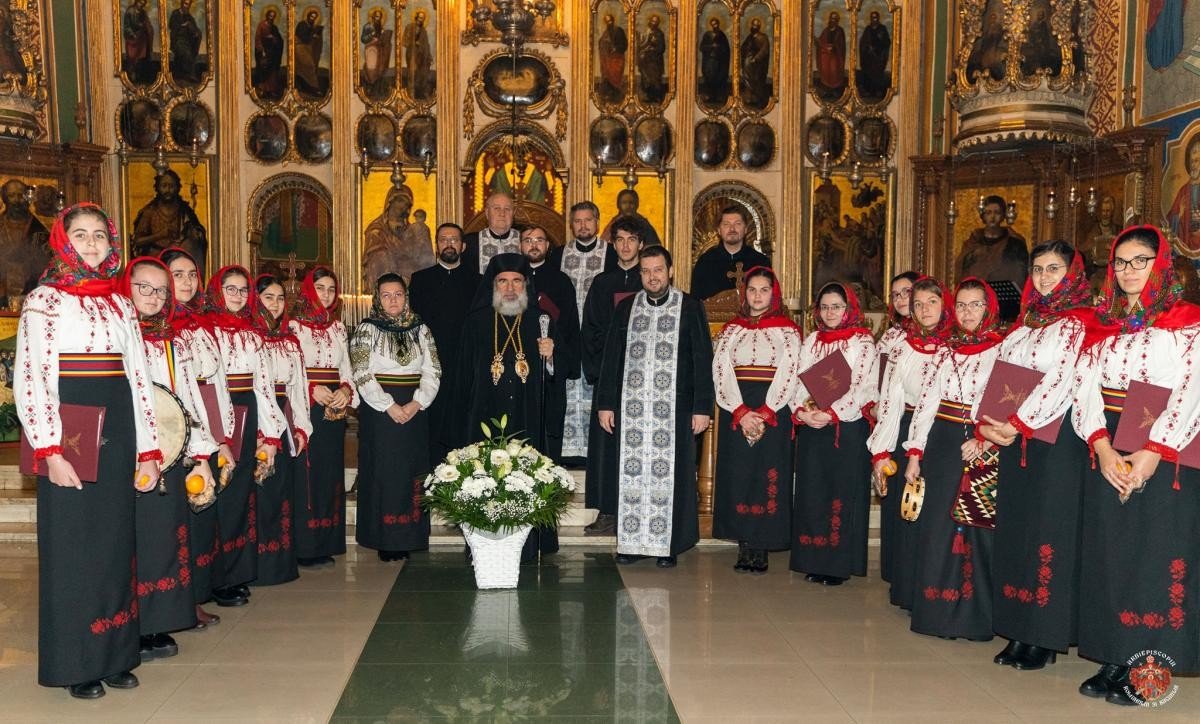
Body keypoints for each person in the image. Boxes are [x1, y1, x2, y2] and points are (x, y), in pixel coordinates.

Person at [16, 203, 162, 698]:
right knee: (75, 549)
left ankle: (116, 652)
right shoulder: (44, 301)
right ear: (62, 241)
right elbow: (32, 378)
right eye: (81, 235)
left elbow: (140, 379)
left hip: (119, 428)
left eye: (100, 234)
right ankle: (78, 662)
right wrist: (49, 449)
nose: (93, 243)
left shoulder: (121, 304)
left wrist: (149, 449)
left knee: (117, 544)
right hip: (71, 432)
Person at [1070, 226, 1200, 705]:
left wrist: (1151, 453)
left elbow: (1191, 391)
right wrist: (1101, 446)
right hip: (1110, 441)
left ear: (1161, 263)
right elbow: (1085, 388)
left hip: (1169, 446)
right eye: (1120, 262)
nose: (1127, 271)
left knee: (1152, 556)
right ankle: (1115, 653)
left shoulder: (1188, 323)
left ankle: (1150, 666)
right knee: (1112, 552)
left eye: (1139, 260)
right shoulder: (1101, 324)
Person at [976, 241, 1092, 671]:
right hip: (1013, 438)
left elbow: (1061, 382)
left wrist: (1017, 424)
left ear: (1073, 273)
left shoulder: (1078, 324)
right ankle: (1018, 627)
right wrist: (988, 423)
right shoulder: (1025, 325)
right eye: (1038, 269)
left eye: (1054, 268)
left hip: (1054, 441)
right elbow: (1001, 376)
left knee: (1048, 533)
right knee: (1017, 530)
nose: (1044, 277)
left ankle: (1044, 634)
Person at [121, 256, 218, 663]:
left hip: (173, 449)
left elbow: (191, 397)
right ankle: (134, 625)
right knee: (136, 539)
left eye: (161, 291)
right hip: (131, 450)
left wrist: (201, 454)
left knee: (165, 538)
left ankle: (159, 621)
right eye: (145, 288)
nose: (154, 297)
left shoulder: (173, 339)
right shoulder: (119, 333)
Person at [596, 246, 714, 567]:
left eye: (658, 270)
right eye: (646, 271)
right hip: (632, 412)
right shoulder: (626, 309)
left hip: (674, 411)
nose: (652, 277)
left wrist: (702, 407)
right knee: (631, 475)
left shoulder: (689, 307)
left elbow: (703, 360)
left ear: (670, 270)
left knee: (671, 477)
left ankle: (668, 546)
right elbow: (611, 359)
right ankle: (632, 542)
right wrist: (606, 404)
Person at [902, 278, 1005, 641]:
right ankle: (937, 612)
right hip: (942, 445)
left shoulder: (1004, 349)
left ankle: (974, 618)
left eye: (975, 305)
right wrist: (915, 453)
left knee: (976, 532)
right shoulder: (946, 350)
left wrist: (983, 439)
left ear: (989, 307)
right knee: (938, 530)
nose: (967, 312)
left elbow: (1007, 401)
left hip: (983, 444)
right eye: (961, 305)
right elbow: (927, 404)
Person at [456, 254, 565, 560]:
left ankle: (531, 544)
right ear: (492, 286)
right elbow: (463, 377)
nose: (509, 288)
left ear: (526, 285)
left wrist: (551, 356)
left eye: (516, 281)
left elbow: (557, 375)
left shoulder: (540, 321)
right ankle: (484, 540)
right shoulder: (476, 322)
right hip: (483, 416)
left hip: (527, 416)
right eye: (502, 281)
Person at [868, 275, 953, 608]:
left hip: (942, 435)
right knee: (909, 511)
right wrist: (881, 450)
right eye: (917, 304)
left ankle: (932, 589)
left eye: (932, 302)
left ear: (945, 304)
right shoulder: (903, 346)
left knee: (935, 517)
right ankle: (907, 590)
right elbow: (890, 400)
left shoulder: (957, 344)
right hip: (908, 433)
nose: (924, 309)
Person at [161, 247, 234, 629]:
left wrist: (223, 435)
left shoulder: (202, 322)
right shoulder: (160, 323)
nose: (187, 282)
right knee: (183, 518)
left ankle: (197, 594)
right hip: (176, 422)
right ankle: (179, 601)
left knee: (204, 512)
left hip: (207, 417)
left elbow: (216, 381)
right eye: (178, 274)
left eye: (192, 274)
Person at [204, 265, 285, 606]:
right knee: (215, 495)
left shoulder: (254, 333)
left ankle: (234, 573)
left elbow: (264, 385)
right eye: (230, 289)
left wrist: (271, 433)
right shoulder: (203, 329)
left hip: (247, 412)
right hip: (214, 417)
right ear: (216, 291)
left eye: (242, 290)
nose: (237, 296)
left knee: (239, 495)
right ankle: (211, 576)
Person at [712, 267, 802, 574]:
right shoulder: (731, 330)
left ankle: (762, 544)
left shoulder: (788, 331)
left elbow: (790, 371)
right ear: (744, 293)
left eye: (764, 290)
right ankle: (744, 543)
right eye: (752, 290)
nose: (758, 296)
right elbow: (721, 369)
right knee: (740, 475)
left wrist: (767, 410)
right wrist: (739, 410)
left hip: (773, 409)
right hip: (737, 405)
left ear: (773, 293)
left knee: (766, 476)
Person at [788, 282, 878, 585]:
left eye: (836, 306)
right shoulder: (812, 340)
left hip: (846, 427)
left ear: (849, 308)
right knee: (814, 495)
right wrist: (803, 411)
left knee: (840, 494)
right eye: (824, 307)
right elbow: (797, 382)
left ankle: (838, 565)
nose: (830, 312)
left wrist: (832, 414)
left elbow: (864, 386)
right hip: (814, 427)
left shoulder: (862, 343)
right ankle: (814, 559)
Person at [352, 274, 439, 561]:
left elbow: (433, 370)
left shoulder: (421, 329)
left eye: (398, 294)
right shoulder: (367, 329)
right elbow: (361, 371)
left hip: (414, 408)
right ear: (378, 298)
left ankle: (410, 535)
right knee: (384, 471)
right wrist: (388, 405)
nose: (393, 300)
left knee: (411, 472)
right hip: (380, 411)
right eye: (386, 295)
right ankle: (384, 539)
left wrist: (418, 402)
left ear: (406, 297)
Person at [581, 218, 644, 535]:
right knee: (606, 444)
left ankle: (637, 509)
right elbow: (590, 328)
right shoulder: (603, 283)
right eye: (619, 239)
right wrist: (598, 369)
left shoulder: (649, 282)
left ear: (641, 243)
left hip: (645, 378)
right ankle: (607, 512)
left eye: (631, 239)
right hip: (610, 375)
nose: (625, 245)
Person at [289, 267, 356, 567]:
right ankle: (305, 545)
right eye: (320, 288)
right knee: (308, 474)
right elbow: (288, 371)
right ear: (307, 290)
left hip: (334, 408)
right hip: (306, 406)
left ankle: (326, 541)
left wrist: (345, 390)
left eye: (331, 289)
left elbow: (347, 370)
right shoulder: (292, 327)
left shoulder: (338, 328)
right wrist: (312, 388)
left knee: (330, 473)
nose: (326, 294)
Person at [250, 274, 311, 586]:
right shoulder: (248, 335)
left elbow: (298, 387)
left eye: (279, 298)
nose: (274, 304)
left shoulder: (289, 340)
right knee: (259, 492)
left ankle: (279, 563)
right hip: (257, 420)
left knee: (280, 491)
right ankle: (255, 565)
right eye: (267, 297)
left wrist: (301, 427)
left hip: (285, 418)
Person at [547, 202, 616, 463]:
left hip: (598, 338)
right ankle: (565, 453)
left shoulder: (610, 254)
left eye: (588, 220)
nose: (583, 226)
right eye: (578, 221)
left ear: (597, 222)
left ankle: (592, 454)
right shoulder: (558, 255)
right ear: (571, 224)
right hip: (565, 337)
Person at [409, 223, 482, 460]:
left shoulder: (478, 282)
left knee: (464, 423)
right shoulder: (420, 280)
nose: (448, 243)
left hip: (466, 366)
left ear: (463, 246)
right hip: (430, 365)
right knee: (432, 424)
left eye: (453, 239)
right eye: (443, 239)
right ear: (436, 246)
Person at [867, 271, 918, 587]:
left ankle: (913, 567)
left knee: (913, 492)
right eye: (896, 294)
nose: (901, 299)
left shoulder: (932, 334)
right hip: (891, 421)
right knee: (894, 488)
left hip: (917, 420)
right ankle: (895, 568)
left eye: (907, 292)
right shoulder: (890, 336)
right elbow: (876, 375)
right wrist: (873, 403)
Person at [522, 226, 581, 462]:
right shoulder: (513, 280)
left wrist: (563, 361)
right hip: (520, 371)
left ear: (548, 246)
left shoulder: (561, 281)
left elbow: (569, 327)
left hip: (551, 368)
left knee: (549, 433)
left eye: (539, 240)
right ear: (520, 245)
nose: (533, 244)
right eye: (528, 240)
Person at [131, 170, 208, 272]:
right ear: (157, 188)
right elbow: (137, 241)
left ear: (177, 188)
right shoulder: (150, 212)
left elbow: (197, 233)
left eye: (172, 186)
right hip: (155, 259)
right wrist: (159, 235)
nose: (168, 190)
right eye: (164, 186)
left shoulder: (184, 210)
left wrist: (193, 234)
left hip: (179, 258)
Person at [691, 205, 770, 301]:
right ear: (719, 230)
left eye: (737, 224)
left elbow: (768, 299)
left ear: (745, 229)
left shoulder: (760, 262)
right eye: (726, 224)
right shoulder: (705, 262)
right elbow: (696, 302)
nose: (732, 229)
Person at [361, 184, 433, 286]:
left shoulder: (413, 230)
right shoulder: (376, 229)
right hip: (386, 277)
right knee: (381, 255)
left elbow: (423, 259)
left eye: (406, 204)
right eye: (399, 201)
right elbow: (376, 259)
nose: (402, 207)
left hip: (409, 278)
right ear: (390, 203)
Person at [955, 194, 1029, 291]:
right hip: (977, 294)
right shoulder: (972, 243)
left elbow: (1020, 273)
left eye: (997, 212)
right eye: (988, 212)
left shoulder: (1015, 243)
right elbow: (962, 271)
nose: (992, 217)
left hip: (1005, 294)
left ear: (1003, 215)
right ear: (983, 215)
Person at [0, 178, 50, 306]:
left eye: (21, 195)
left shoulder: (40, 231)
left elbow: (47, 266)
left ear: (28, 198)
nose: (16, 201)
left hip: (32, 295)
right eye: (11, 196)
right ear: (4, 199)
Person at [464, 192, 521, 274]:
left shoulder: (525, 240)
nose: (502, 214)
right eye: (497, 208)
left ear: (513, 214)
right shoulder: (470, 242)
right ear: (487, 213)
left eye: (507, 209)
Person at [1166, 133, 1200, 254]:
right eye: (1191, 161)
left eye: (1197, 161)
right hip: (1186, 240)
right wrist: (1179, 214)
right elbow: (1169, 221)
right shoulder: (1184, 190)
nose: (1193, 165)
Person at [857, 11, 891, 101]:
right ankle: (869, 91)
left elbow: (887, 42)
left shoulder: (882, 29)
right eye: (872, 17)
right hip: (869, 57)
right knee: (868, 73)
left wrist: (877, 47)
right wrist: (867, 48)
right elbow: (863, 42)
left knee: (877, 74)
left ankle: (878, 91)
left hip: (878, 57)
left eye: (875, 17)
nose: (874, 19)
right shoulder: (868, 29)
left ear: (878, 18)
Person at [253, 6, 285, 99]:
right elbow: (258, 38)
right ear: (267, 15)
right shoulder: (262, 25)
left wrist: (275, 39)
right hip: (264, 51)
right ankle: (263, 89)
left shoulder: (274, 27)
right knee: (264, 70)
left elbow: (280, 39)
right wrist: (262, 50)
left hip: (273, 53)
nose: (272, 17)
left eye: (273, 16)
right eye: (270, 16)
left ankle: (271, 90)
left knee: (273, 71)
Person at [739, 18, 771, 110]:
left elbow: (764, 50)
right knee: (748, 81)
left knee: (758, 82)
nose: (754, 27)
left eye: (756, 26)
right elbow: (744, 47)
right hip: (748, 66)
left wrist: (755, 58)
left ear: (759, 27)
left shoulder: (763, 37)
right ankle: (750, 99)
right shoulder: (750, 37)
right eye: (753, 25)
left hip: (758, 66)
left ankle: (759, 101)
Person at [699, 16, 731, 106]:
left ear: (718, 24)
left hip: (719, 62)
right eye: (713, 24)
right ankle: (710, 96)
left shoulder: (722, 35)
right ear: (711, 25)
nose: (715, 26)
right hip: (709, 61)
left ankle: (719, 97)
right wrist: (711, 46)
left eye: (716, 24)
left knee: (719, 78)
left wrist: (719, 48)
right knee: (709, 78)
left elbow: (726, 49)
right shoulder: (707, 35)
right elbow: (702, 47)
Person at [360, 8, 392, 98]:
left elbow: (383, 39)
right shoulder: (368, 26)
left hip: (379, 49)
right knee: (371, 68)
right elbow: (363, 39)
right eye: (377, 16)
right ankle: (369, 88)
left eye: (380, 17)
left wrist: (384, 35)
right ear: (373, 17)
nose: (378, 19)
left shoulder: (381, 27)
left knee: (379, 69)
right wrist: (371, 35)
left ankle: (376, 90)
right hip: (371, 49)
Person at [168, 0, 203, 84]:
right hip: (178, 40)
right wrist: (182, 25)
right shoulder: (175, 13)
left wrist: (196, 32)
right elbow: (170, 25)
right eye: (185, 4)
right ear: (182, 3)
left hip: (187, 41)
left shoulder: (189, 17)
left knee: (189, 51)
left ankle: (188, 74)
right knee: (186, 53)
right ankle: (191, 73)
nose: (186, 6)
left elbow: (195, 28)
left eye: (188, 4)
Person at [815, 11, 847, 99]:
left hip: (835, 57)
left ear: (837, 20)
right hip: (826, 57)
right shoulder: (826, 30)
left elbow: (841, 44)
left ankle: (835, 91)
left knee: (834, 72)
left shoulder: (840, 31)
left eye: (834, 19)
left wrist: (834, 47)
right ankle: (828, 91)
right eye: (831, 18)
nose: (833, 20)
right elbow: (821, 41)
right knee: (826, 72)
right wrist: (819, 42)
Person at [294, 7, 325, 98]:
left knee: (309, 67)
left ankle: (307, 89)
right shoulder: (302, 24)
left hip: (307, 49)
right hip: (300, 48)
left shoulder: (312, 26)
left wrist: (316, 35)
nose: (313, 19)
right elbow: (302, 37)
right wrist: (312, 35)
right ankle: (314, 88)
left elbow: (311, 39)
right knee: (309, 66)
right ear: (308, 16)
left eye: (314, 17)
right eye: (312, 17)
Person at [123, 0, 155, 84]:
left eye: (143, 3)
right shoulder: (130, 11)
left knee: (143, 58)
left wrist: (148, 28)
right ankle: (132, 75)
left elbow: (148, 24)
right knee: (133, 58)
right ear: (136, 1)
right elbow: (126, 27)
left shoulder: (143, 13)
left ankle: (141, 77)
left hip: (142, 39)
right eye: (140, 2)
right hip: (132, 40)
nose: (141, 4)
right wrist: (133, 34)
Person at [402, 10, 432, 99]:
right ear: (416, 17)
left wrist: (428, 55)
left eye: (422, 18)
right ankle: (410, 92)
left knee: (421, 72)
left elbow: (426, 44)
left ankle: (419, 92)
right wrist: (414, 43)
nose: (421, 20)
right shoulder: (409, 27)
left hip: (421, 55)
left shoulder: (424, 31)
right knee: (412, 71)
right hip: (411, 54)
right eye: (419, 18)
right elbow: (404, 41)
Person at [637, 14, 667, 104]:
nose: (654, 23)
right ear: (649, 21)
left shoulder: (659, 33)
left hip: (655, 61)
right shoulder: (646, 32)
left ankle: (657, 97)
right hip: (646, 61)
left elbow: (662, 48)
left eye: (656, 22)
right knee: (646, 79)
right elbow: (641, 45)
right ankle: (649, 96)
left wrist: (653, 47)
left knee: (655, 79)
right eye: (653, 21)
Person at [597, 13, 628, 101]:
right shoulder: (605, 33)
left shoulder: (619, 30)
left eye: (610, 21)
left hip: (616, 58)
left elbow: (624, 44)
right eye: (607, 22)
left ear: (613, 21)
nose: (609, 23)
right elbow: (601, 43)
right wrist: (604, 44)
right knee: (607, 76)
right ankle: (609, 95)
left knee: (615, 75)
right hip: (607, 59)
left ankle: (616, 95)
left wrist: (616, 48)